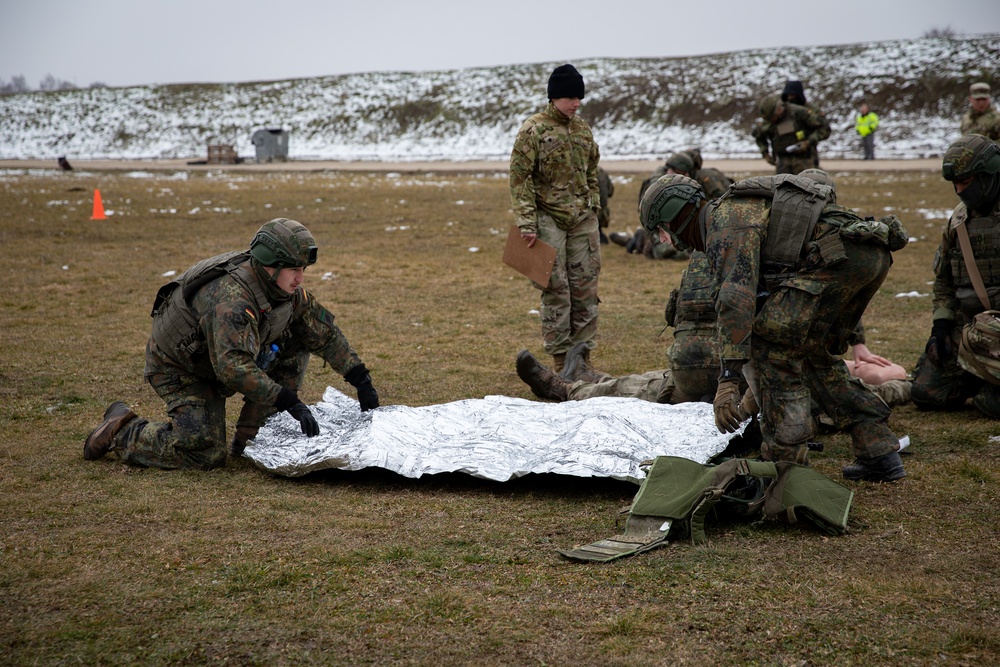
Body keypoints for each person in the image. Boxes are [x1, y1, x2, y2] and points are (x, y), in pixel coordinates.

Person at [638, 172, 909, 482]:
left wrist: (727, 379)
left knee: (773, 348)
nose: (663, 240)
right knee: (811, 356)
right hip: (859, 255)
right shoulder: (727, 217)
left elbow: (735, 300)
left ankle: (784, 462)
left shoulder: (726, 224)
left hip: (841, 257)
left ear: (675, 217)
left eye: (661, 230)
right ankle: (878, 450)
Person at [83, 218, 380, 469]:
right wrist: (289, 401)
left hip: (222, 357)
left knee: (297, 337)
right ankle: (122, 430)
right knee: (203, 451)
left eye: (303, 269)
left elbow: (322, 330)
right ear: (271, 266)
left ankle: (254, 433)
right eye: (294, 270)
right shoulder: (233, 300)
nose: (301, 278)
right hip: (182, 368)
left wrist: (360, 378)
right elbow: (233, 368)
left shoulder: (281, 289)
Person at [510, 63, 602, 372]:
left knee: (586, 287)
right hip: (547, 217)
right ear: (554, 97)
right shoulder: (532, 129)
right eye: (570, 97)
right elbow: (519, 178)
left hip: (581, 219)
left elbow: (592, 170)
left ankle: (583, 360)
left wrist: (594, 207)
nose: (576, 103)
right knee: (556, 288)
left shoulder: (583, 129)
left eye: (579, 97)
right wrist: (526, 223)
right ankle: (562, 361)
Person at [912, 134, 1000, 417]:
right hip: (969, 330)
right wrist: (940, 328)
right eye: (955, 183)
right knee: (927, 393)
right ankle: (979, 373)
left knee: (990, 406)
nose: (959, 190)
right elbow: (944, 281)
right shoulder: (959, 221)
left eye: (966, 182)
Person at [751, 94, 831, 175]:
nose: (772, 121)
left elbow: (824, 128)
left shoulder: (799, 113)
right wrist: (765, 153)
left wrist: (808, 142)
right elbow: (759, 136)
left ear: (779, 109)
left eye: (773, 117)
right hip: (783, 163)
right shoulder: (769, 121)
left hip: (804, 161)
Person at [780, 80, 828, 168]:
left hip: (807, 158)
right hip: (785, 161)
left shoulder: (811, 110)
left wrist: (808, 142)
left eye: (792, 96)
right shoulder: (781, 111)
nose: (790, 99)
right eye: (788, 96)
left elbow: (825, 129)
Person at [597, 165, 614, 245]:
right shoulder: (602, 171)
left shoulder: (584, 171)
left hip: (593, 211)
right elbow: (610, 191)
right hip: (602, 210)